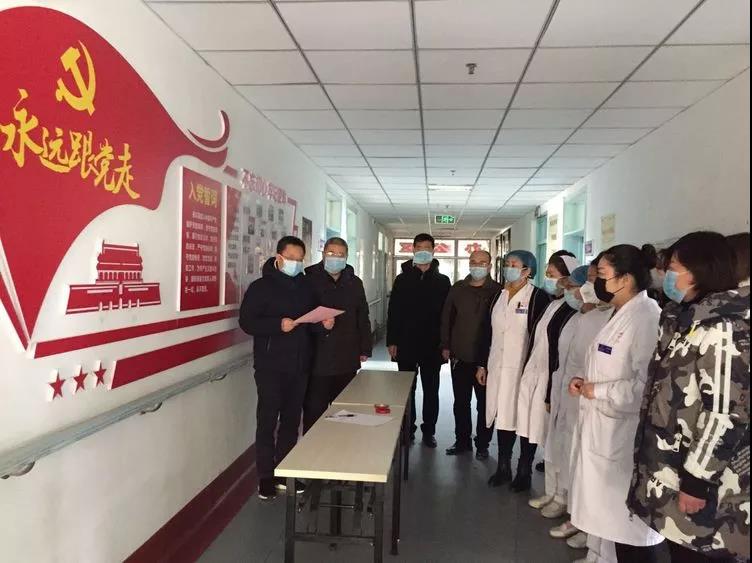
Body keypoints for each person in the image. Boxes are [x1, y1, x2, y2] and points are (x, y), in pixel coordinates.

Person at [628, 231, 750, 563]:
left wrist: (698, 480)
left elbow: (725, 413)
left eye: (673, 268)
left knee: (697, 552)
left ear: (698, 272)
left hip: (702, 480)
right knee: (678, 547)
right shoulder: (685, 319)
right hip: (671, 465)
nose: (666, 275)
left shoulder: (723, 328)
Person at [568, 245, 665, 562]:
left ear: (625, 279)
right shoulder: (618, 312)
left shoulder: (646, 317)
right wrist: (585, 381)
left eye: (602, 274)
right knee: (609, 519)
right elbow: (607, 365)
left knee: (629, 529)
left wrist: (598, 391)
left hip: (624, 434)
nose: (596, 281)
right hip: (604, 429)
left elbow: (646, 386)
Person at [239, 236, 334, 500]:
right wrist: (277, 325)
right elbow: (247, 322)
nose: (295, 263)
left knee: (292, 420)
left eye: (299, 259)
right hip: (270, 365)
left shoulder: (306, 287)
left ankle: (284, 472)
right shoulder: (260, 287)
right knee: (268, 420)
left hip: (300, 364)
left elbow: (312, 322)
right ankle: (265, 477)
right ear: (278, 257)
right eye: (291, 258)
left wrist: (323, 325)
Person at [543, 261, 614, 557]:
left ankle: (585, 525)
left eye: (592, 280)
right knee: (564, 450)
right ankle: (565, 503)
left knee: (587, 467)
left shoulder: (613, 319)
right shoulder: (583, 317)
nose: (579, 291)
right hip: (571, 392)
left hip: (596, 403)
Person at [476, 250, 551, 486]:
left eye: (514, 264)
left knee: (525, 416)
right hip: (497, 367)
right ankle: (503, 467)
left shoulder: (538, 297)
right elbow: (486, 333)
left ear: (527, 270)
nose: (509, 268)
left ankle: (524, 470)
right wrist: (482, 364)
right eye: (507, 263)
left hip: (524, 369)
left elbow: (542, 337)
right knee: (503, 415)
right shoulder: (497, 296)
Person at [515, 251, 580, 494]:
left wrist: (551, 388)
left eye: (552, 275)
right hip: (534, 371)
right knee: (528, 423)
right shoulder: (551, 303)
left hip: (550, 377)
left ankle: (552, 487)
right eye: (547, 274)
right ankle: (523, 469)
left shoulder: (571, 310)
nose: (548, 279)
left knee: (544, 428)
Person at [387, 233, 451, 447]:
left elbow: (447, 316)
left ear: (433, 250)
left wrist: (446, 344)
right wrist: (392, 341)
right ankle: (408, 429)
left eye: (427, 247)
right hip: (406, 344)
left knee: (431, 390)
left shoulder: (443, 281)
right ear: (413, 249)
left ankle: (429, 431)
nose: (423, 251)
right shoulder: (402, 279)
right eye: (419, 247)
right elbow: (393, 311)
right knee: (406, 389)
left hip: (433, 346)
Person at [303, 237, 372, 432]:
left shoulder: (354, 283)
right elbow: (301, 315)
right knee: (314, 410)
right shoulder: (308, 280)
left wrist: (365, 347)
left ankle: (342, 446)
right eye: (331, 253)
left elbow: (362, 316)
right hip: (317, 357)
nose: (336, 257)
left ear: (347, 257)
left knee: (344, 409)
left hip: (346, 355)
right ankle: (313, 446)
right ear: (323, 253)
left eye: (341, 254)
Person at [440, 250, 501, 459]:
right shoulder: (458, 288)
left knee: (485, 404)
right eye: (473, 262)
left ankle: (483, 444)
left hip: (487, 360)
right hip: (460, 356)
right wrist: (446, 345)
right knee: (461, 403)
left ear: (490, 266)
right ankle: (462, 441)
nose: (477, 266)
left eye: (482, 262)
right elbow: (447, 317)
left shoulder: (498, 291)